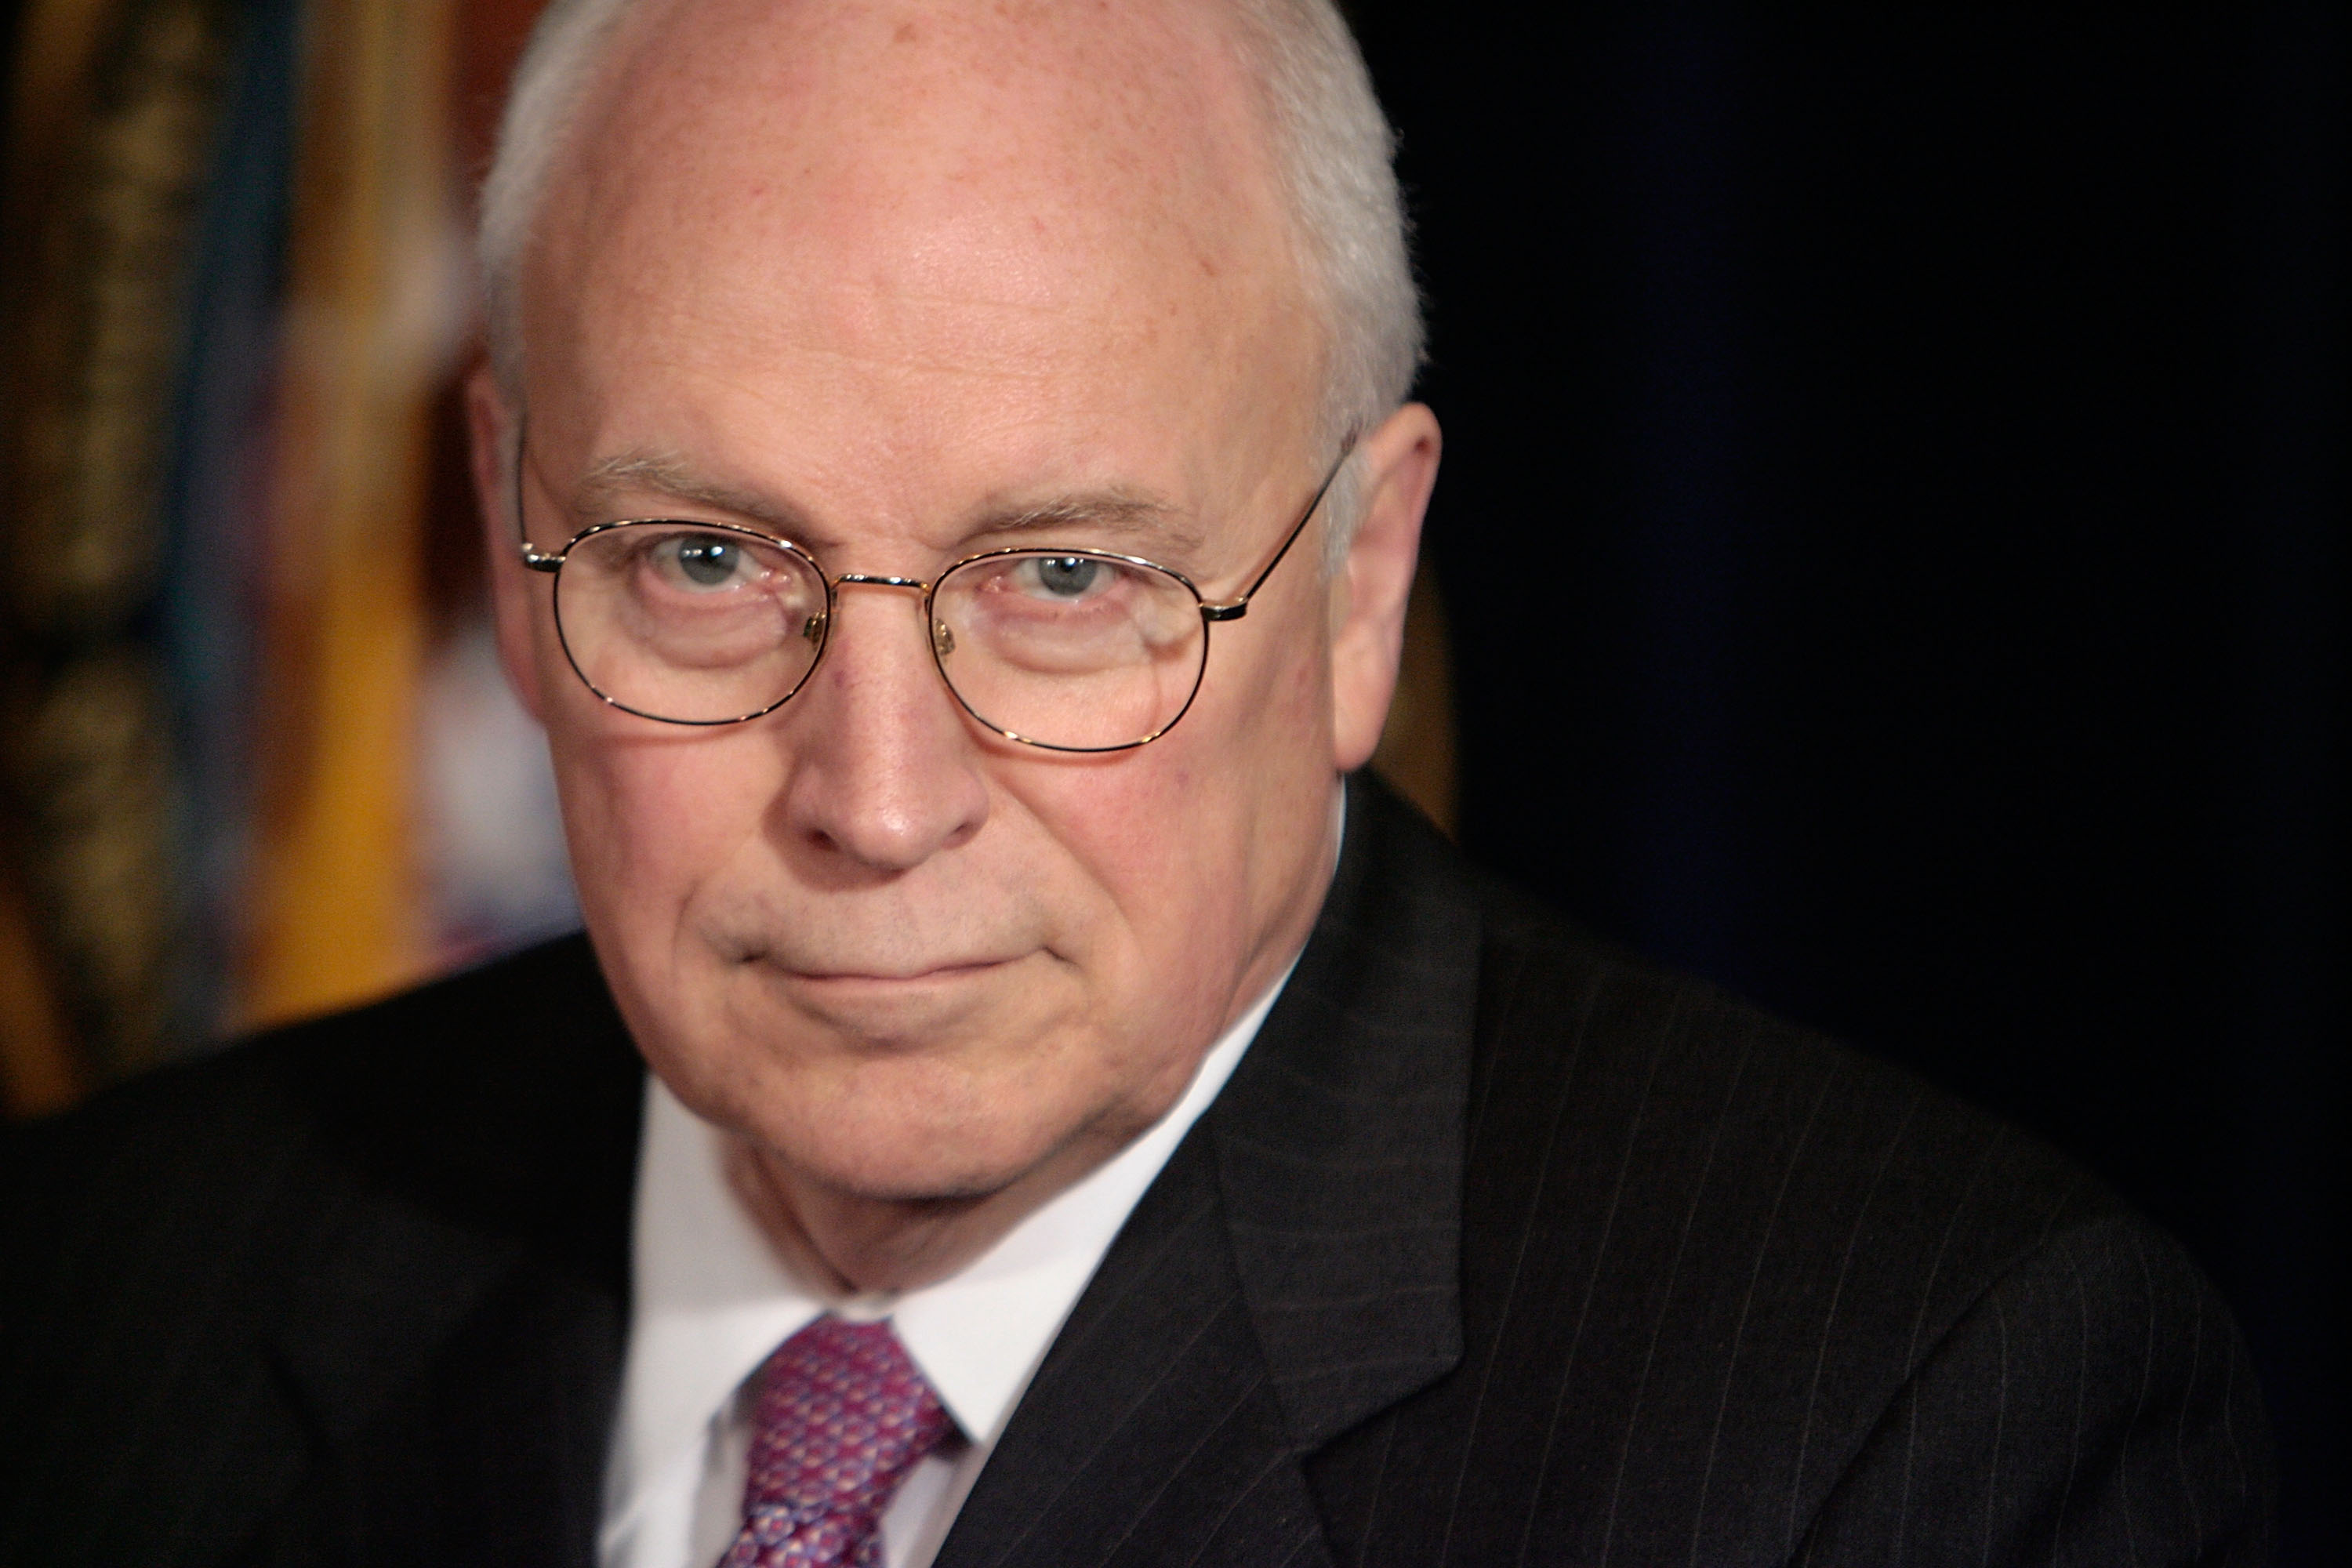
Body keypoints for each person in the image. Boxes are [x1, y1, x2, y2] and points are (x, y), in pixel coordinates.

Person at [0, 0, 2272, 1564]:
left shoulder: (1905, 1434)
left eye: (1066, 577)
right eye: (704, 559)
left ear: (1362, 582)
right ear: (506, 531)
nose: (877, 803)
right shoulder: (105, 1302)